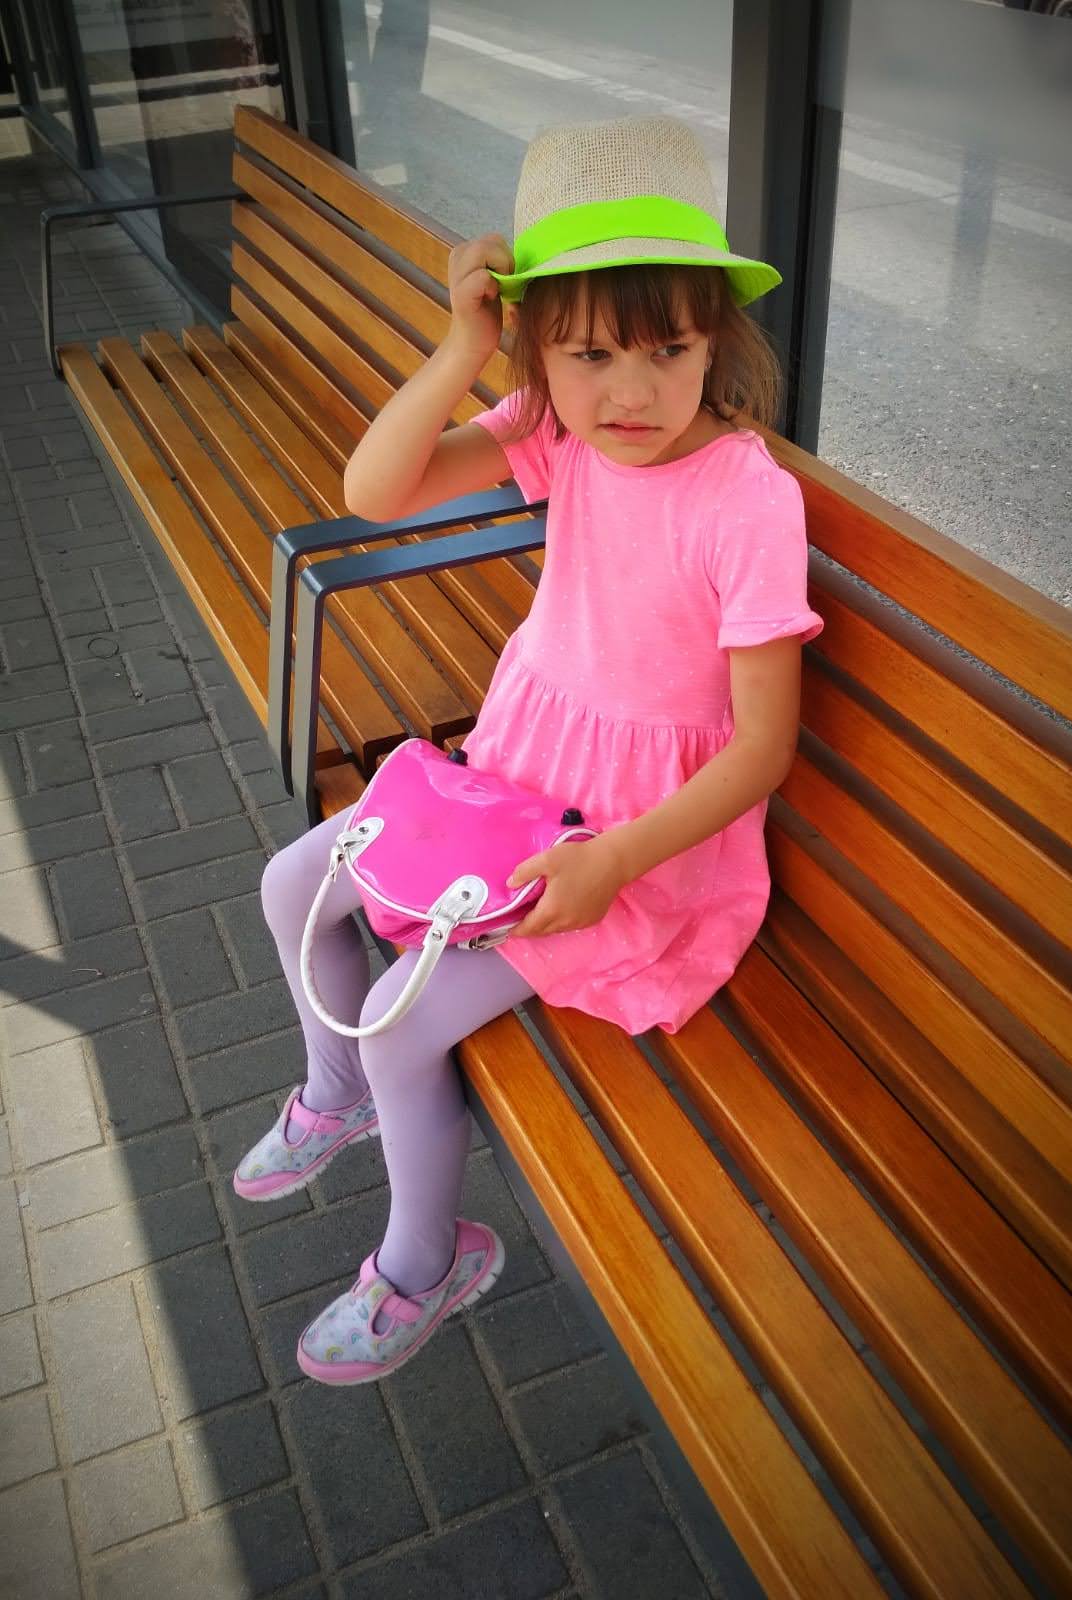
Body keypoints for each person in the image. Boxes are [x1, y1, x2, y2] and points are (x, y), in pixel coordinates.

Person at [233, 115, 824, 1386]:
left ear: (715, 339)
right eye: (591, 353)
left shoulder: (745, 498)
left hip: (631, 848)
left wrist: (615, 860)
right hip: (512, 787)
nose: (631, 392)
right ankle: (333, 1093)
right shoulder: (559, 433)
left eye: (668, 350)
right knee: (290, 886)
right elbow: (375, 491)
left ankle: (424, 1259)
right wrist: (463, 346)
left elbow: (763, 747)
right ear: (540, 346)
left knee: (399, 1020)